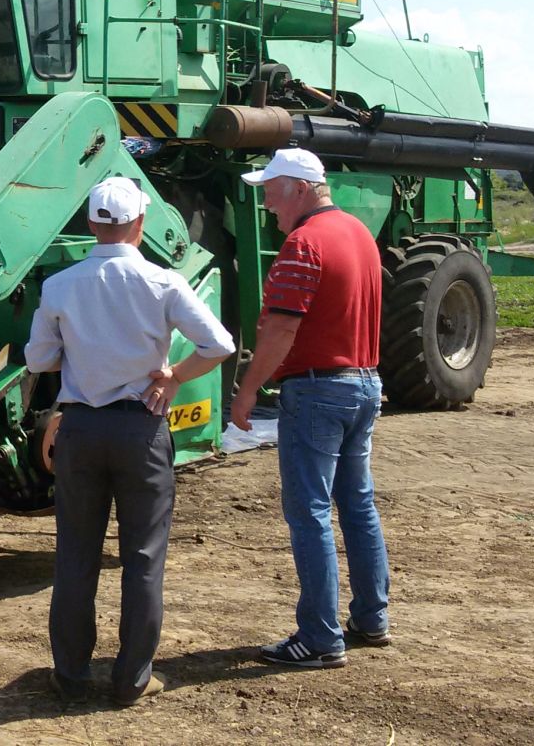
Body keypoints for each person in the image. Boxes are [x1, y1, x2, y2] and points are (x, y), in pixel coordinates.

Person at [25, 175, 237, 706]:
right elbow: (219, 344)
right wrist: (173, 377)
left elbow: (38, 361)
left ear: (92, 224)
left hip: (81, 429)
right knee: (142, 557)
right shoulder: (163, 283)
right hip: (141, 428)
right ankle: (132, 678)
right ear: (140, 224)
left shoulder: (60, 285)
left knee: (76, 554)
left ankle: (70, 675)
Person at [233, 147, 391, 669]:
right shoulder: (358, 234)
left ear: (299, 188)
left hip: (319, 389)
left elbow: (281, 328)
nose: (267, 205)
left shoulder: (303, 244)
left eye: (271, 192)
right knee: (358, 505)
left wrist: (248, 388)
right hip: (363, 383)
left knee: (310, 514)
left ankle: (321, 639)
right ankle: (371, 618)